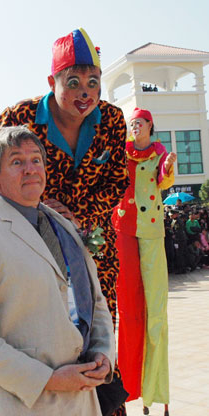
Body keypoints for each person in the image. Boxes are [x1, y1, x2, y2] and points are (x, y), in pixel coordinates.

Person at [0, 29, 129, 414]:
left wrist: (80, 216)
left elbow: (117, 180)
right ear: (51, 82)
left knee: (97, 337)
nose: (85, 94)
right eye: (73, 83)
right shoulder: (20, 117)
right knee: (41, 334)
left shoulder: (113, 120)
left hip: (87, 243)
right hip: (25, 240)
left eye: (94, 83)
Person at [0, 126, 115, 415]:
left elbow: (95, 302)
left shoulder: (66, 226)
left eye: (36, 159)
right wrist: (47, 379)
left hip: (83, 400)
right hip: (23, 403)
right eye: (17, 162)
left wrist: (104, 354)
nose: (30, 169)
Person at [112, 108, 176, 416]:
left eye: (139, 123)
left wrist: (169, 167)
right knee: (128, 309)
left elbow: (163, 180)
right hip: (123, 226)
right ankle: (127, 389)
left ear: (150, 125)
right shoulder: (120, 150)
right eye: (132, 123)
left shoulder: (159, 151)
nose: (134, 127)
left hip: (151, 228)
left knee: (156, 312)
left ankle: (155, 391)